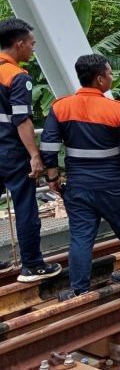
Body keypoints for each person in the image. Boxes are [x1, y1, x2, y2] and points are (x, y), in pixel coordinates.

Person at [39, 54, 120, 300]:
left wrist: (53, 177)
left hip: (78, 186)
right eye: (109, 73)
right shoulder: (116, 110)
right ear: (99, 79)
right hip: (113, 185)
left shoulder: (61, 107)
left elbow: (49, 147)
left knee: (81, 236)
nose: (111, 77)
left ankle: (79, 289)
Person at [0, 20, 62, 280]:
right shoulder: (17, 76)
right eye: (32, 44)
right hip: (11, 152)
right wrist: (35, 155)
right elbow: (21, 119)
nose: (33, 49)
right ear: (19, 43)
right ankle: (32, 264)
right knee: (26, 206)